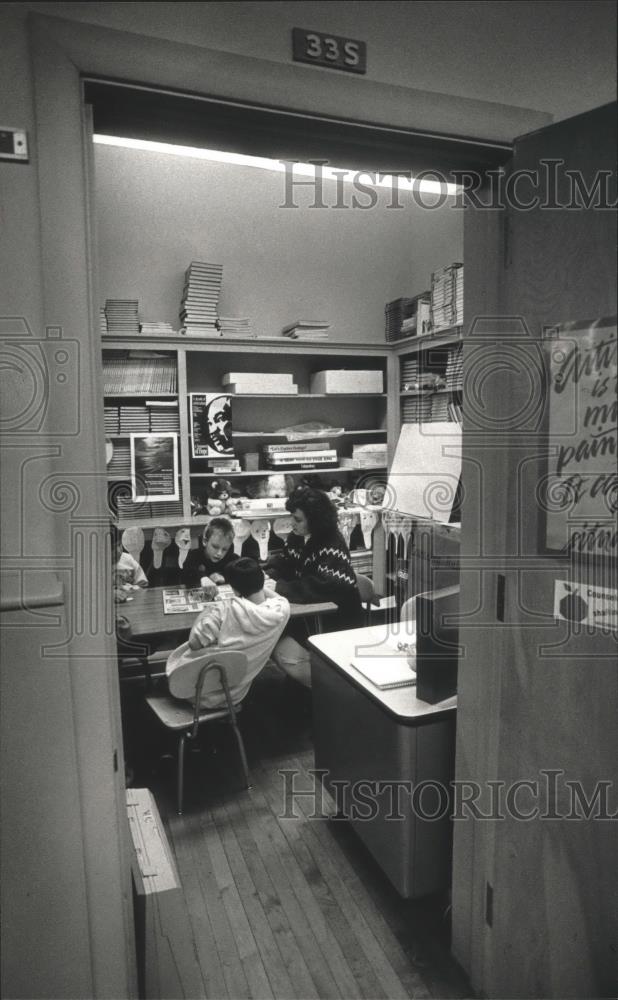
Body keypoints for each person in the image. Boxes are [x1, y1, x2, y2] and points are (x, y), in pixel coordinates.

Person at [267, 486, 363, 686]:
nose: (292, 523)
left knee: (273, 634)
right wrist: (265, 576)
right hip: (311, 613)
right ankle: (306, 680)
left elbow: (324, 585)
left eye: (298, 519)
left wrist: (278, 588)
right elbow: (285, 564)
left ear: (315, 520)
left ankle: (319, 684)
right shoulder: (297, 536)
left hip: (337, 620)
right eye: (292, 517)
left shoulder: (332, 542)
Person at [167, 557, 290, 709]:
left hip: (197, 692)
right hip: (235, 693)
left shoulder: (224, 610)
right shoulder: (282, 610)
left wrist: (207, 611)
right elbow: (277, 597)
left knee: (165, 681)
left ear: (235, 590)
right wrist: (256, 582)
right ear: (261, 580)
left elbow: (194, 643)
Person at [181, 517, 236, 590]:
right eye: (215, 547)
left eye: (225, 549)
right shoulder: (194, 556)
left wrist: (225, 578)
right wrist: (203, 578)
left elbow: (241, 575)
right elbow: (186, 575)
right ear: (205, 541)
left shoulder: (232, 559)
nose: (219, 553)